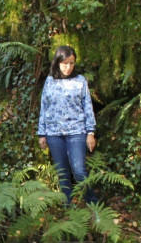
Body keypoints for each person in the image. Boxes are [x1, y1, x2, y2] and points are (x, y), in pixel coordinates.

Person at [37, 45, 98, 204]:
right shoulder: (50, 81)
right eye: (65, 63)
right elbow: (44, 106)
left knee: (79, 171)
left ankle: (94, 207)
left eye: (71, 63)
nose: (68, 67)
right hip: (54, 134)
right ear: (57, 63)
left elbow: (88, 107)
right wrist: (42, 134)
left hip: (76, 132)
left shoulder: (80, 81)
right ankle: (68, 211)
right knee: (63, 174)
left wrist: (90, 132)